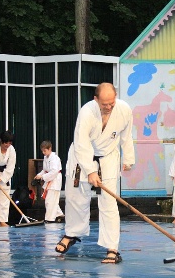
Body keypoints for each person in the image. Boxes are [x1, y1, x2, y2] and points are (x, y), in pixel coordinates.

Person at [55, 82, 135, 264]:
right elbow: (81, 142)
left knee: (108, 202)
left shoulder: (123, 110)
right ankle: (72, 234)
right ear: (95, 99)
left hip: (107, 156)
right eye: (104, 104)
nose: (108, 107)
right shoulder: (87, 112)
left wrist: (128, 158)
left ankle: (112, 247)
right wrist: (90, 171)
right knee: (76, 196)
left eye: (111, 103)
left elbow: (126, 134)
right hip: (82, 156)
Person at [33, 140, 64, 223]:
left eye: (45, 151)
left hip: (55, 180)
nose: (43, 153)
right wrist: (39, 175)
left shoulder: (55, 158)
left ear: (50, 148)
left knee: (50, 201)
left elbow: (54, 172)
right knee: (51, 200)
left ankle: (49, 219)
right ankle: (59, 214)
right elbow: (45, 170)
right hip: (49, 179)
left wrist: (42, 177)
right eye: (42, 151)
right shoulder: (46, 158)